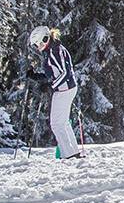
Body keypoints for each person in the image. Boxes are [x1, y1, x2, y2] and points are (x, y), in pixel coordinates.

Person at [30, 25, 85, 160]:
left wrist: (50, 85)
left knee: (57, 124)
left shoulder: (55, 50)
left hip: (65, 90)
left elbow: (65, 72)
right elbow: (53, 73)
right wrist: (37, 77)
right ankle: (73, 152)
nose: (38, 47)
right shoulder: (51, 50)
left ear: (45, 38)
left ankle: (69, 154)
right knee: (63, 122)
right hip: (63, 89)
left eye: (38, 43)